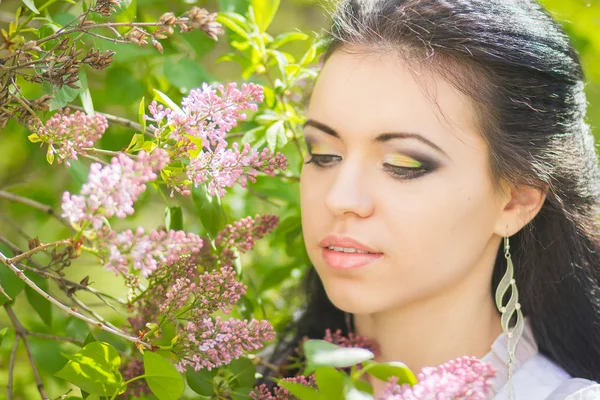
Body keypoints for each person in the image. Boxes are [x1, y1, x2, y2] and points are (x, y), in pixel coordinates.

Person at [263, 0, 600, 398]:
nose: (340, 198)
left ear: (515, 202)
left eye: (403, 164)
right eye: (323, 155)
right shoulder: (245, 377)